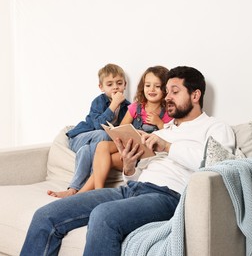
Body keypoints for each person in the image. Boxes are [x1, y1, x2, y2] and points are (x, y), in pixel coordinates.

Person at [21, 66, 235, 256]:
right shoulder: (167, 130)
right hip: (132, 189)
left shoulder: (215, 127)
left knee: (104, 216)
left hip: (169, 197)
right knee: (46, 215)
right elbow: (138, 172)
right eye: (167, 91)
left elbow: (218, 166)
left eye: (175, 92)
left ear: (195, 95)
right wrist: (130, 165)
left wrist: (167, 147)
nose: (167, 97)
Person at [71, 65, 173, 195]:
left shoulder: (167, 112)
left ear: (165, 89)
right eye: (148, 85)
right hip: (131, 146)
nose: (151, 89)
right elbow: (122, 128)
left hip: (146, 152)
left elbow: (171, 135)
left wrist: (159, 123)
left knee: (113, 156)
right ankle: (96, 191)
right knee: (102, 146)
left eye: (157, 86)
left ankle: (83, 193)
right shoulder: (135, 107)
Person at [47, 63, 131, 198]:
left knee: (87, 151)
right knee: (102, 134)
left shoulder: (128, 107)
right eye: (110, 84)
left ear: (125, 85)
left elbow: (121, 131)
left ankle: (73, 190)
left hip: (91, 146)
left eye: (119, 83)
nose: (115, 87)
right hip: (81, 137)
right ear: (101, 87)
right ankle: (94, 186)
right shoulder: (99, 101)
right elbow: (98, 125)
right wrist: (114, 105)